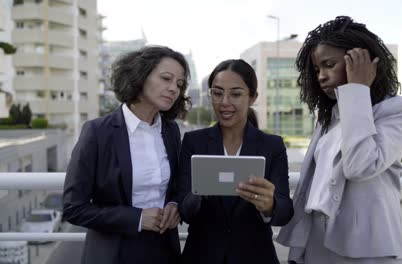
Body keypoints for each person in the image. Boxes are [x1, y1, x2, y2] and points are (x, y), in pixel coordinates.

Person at [277, 16, 402, 264]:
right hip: (318, 243)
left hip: (367, 248)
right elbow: (312, 188)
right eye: (317, 69)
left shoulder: (397, 110)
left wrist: (357, 90)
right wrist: (299, 251)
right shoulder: (328, 119)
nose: (321, 76)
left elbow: (360, 166)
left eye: (329, 65)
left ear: (361, 61)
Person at [62, 46, 191, 264]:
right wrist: (138, 218)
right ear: (139, 77)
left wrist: (175, 205)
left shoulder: (170, 131)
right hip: (114, 253)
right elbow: (74, 208)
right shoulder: (98, 132)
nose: (173, 89)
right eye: (166, 79)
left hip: (165, 250)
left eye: (179, 84)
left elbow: (177, 185)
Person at [176, 59, 294, 264]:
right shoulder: (193, 142)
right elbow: (184, 210)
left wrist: (269, 205)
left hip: (255, 256)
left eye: (236, 94)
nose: (224, 102)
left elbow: (284, 211)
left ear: (252, 97)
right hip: (202, 256)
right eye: (217, 92)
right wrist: (199, 192)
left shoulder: (272, 146)